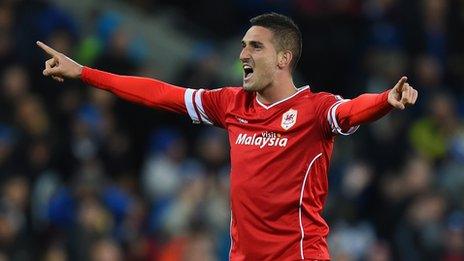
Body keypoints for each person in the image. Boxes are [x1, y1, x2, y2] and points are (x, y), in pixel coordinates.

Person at [37, 12, 417, 261]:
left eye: (255, 46)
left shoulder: (314, 109)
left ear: (283, 59)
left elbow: (351, 110)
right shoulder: (231, 103)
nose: (242, 54)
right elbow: (160, 93)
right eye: (242, 45)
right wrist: (85, 73)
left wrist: (387, 99)